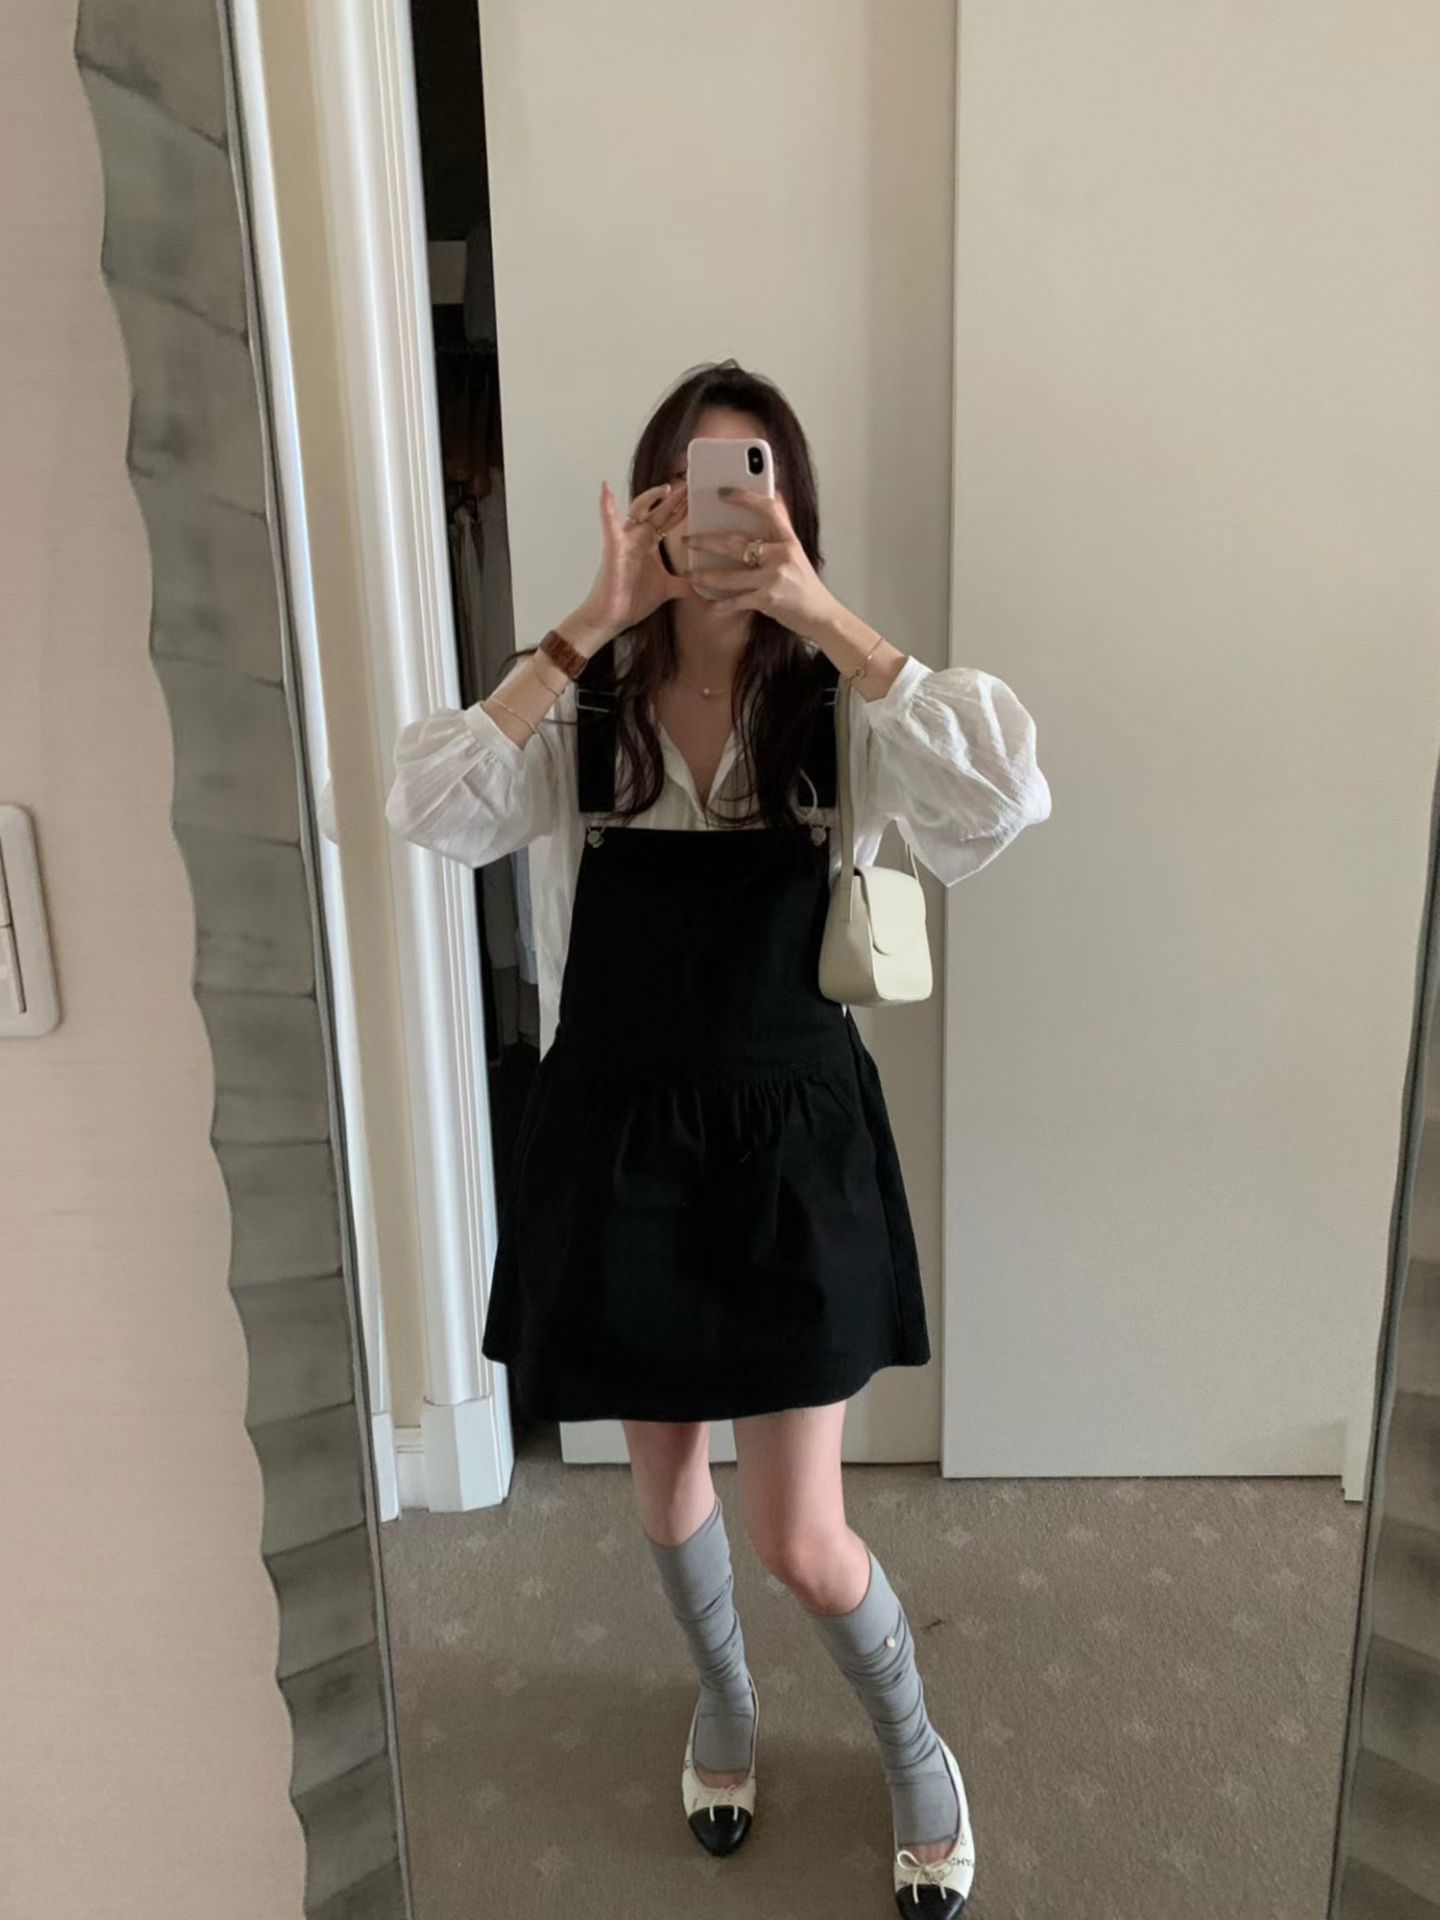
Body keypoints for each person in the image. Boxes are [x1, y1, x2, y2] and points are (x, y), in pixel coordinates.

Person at [385, 359, 1051, 1916]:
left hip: (790, 1145)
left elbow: (1004, 798)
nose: (727, 518)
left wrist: (834, 621)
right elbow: (428, 806)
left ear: (791, 508)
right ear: (651, 507)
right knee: (664, 1477)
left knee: (800, 1533)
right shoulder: (589, 704)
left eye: (758, 486)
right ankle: (727, 1701)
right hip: (618, 1136)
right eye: (695, 486)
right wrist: (583, 623)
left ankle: (914, 1747)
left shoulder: (840, 707)